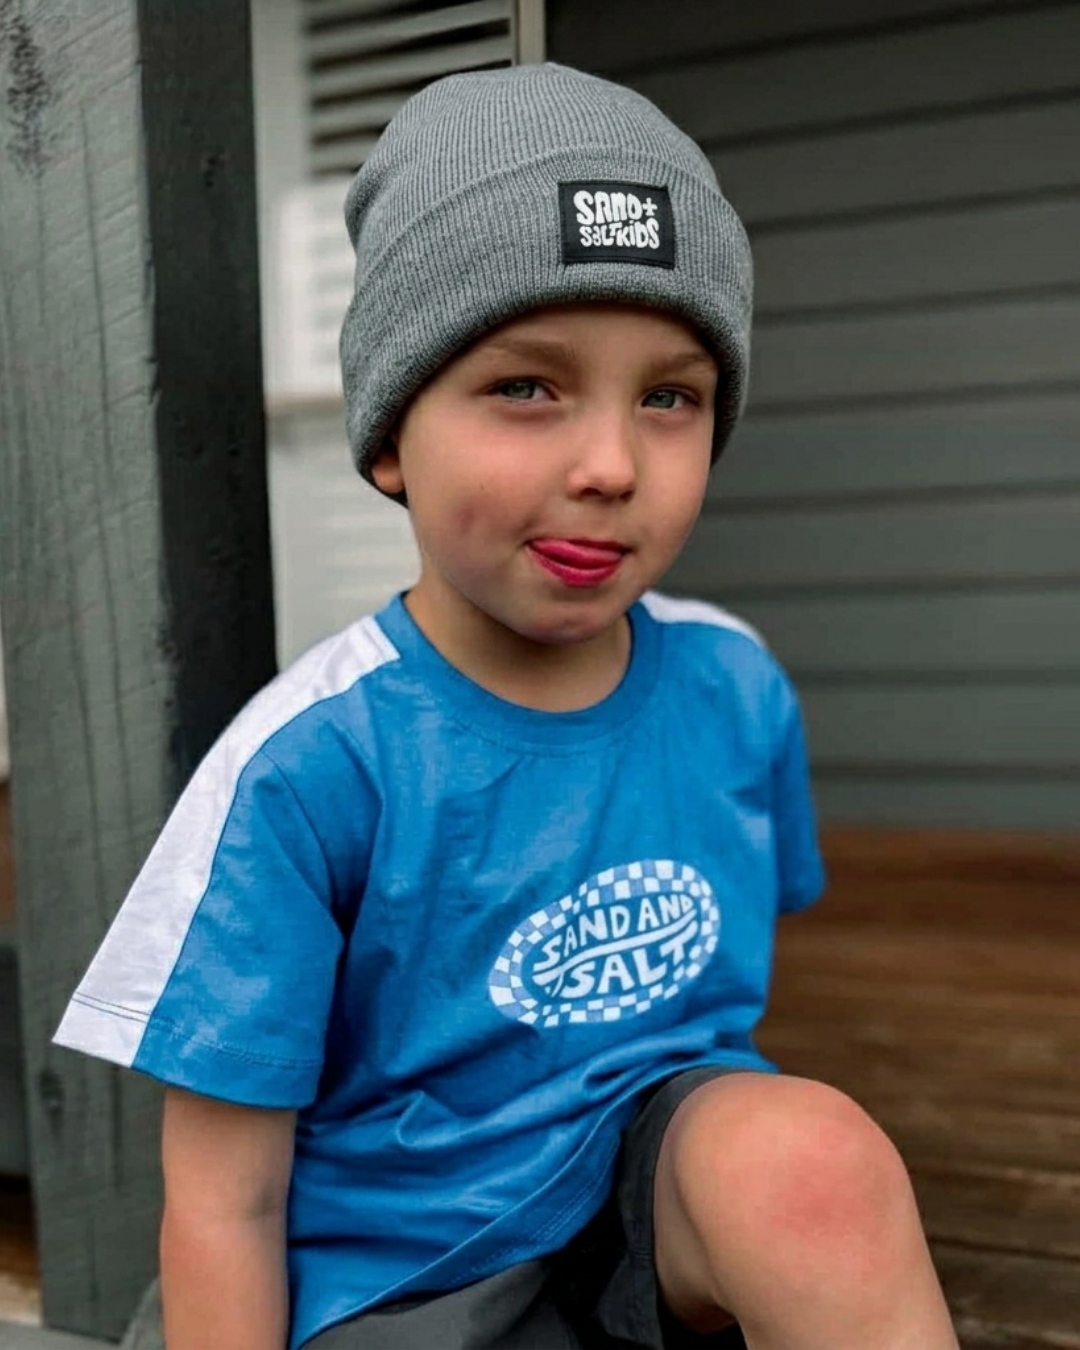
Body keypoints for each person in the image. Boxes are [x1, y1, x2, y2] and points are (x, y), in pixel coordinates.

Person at [54, 62, 959, 1350]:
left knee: (810, 1154)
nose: (609, 466)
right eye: (526, 387)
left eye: (670, 396)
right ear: (388, 436)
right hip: (402, 1279)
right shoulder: (309, 767)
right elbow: (225, 1204)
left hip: (648, 1208)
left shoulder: (732, 682)